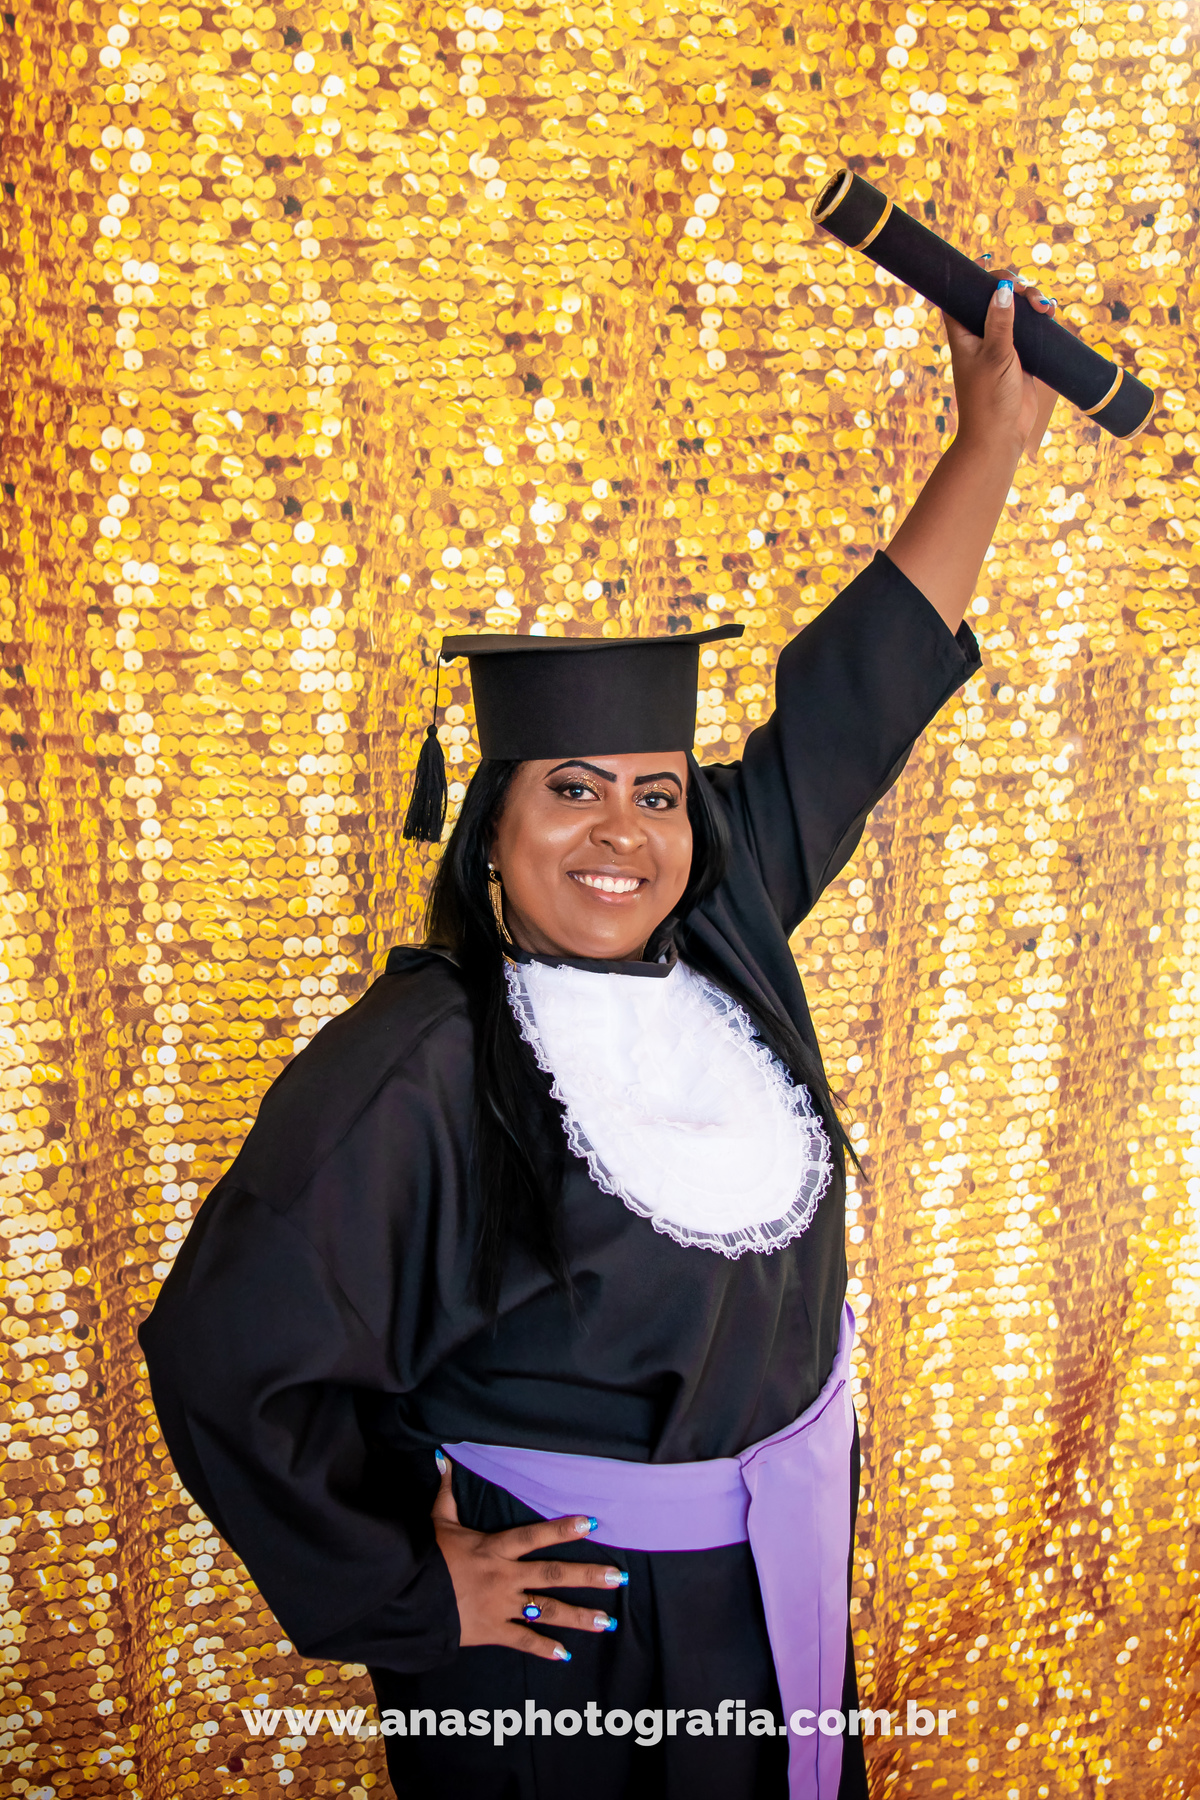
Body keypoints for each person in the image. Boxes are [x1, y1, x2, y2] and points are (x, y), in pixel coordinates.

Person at [140, 274, 1056, 1800]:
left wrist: (992, 436)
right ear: (491, 829)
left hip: (773, 1595)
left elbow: (853, 705)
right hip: (568, 1657)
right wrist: (406, 1590)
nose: (622, 834)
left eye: (655, 793)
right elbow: (226, 1349)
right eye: (569, 791)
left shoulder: (726, 938)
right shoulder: (423, 1059)